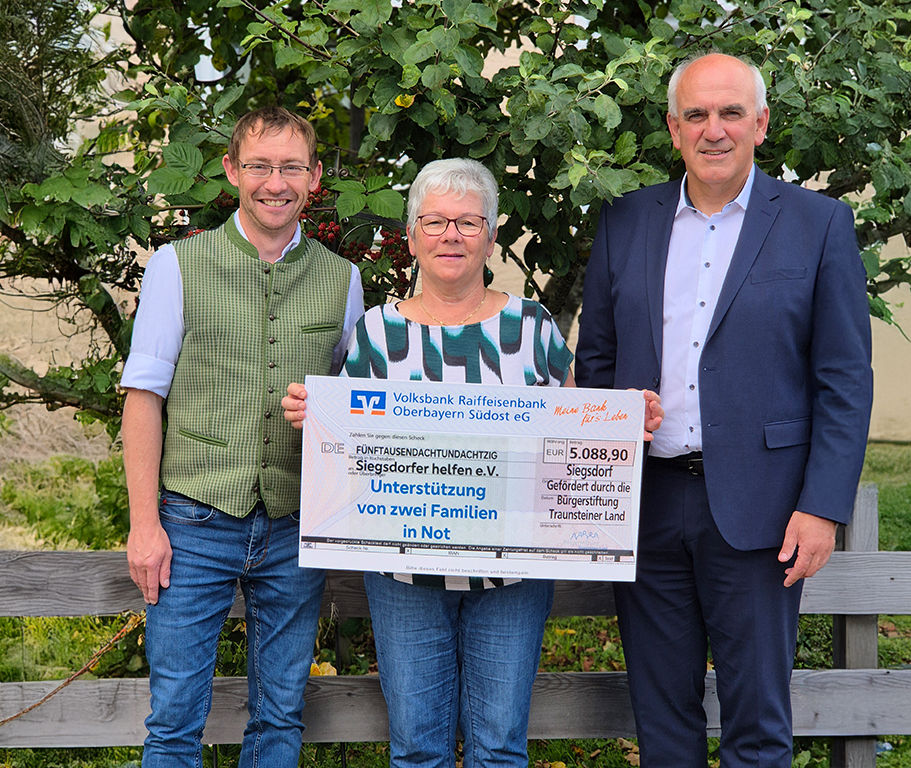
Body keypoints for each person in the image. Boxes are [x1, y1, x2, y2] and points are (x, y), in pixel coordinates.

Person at [283, 157, 663, 768]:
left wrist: (624, 423)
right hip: (403, 574)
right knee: (414, 750)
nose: (451, 236)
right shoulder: (375, 333)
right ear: (410, 238)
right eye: (434, 222)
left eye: (467, 222)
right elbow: (345, 447)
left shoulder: (534, 327)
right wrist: (314, 414)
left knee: (500, 748)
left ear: (490, 236)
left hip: (511, 577)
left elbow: (575, 433)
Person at [575, 53, 873, 767]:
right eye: (698, 115)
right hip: (646, 503)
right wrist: (616, 413)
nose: (715, 130)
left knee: (758, 722)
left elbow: (844, 379)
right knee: (662, 720)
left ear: (761, 124)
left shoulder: (818, 224)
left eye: (731, 113)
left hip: (764, 511)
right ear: (674, 129)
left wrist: (823, 507)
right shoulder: (624, 221)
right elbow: (594, 362)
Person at [120, 106, 365, 767]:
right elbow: (143, 399)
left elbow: (358, 412)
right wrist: (145, 524)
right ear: (232, 171)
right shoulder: (176, 266)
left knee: (282, 719)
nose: (274, 182)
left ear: (314, 178)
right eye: (259, 165)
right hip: (192, 523)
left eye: (290, 167)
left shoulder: (344, 281)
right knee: (174, 723)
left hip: (293, 527)